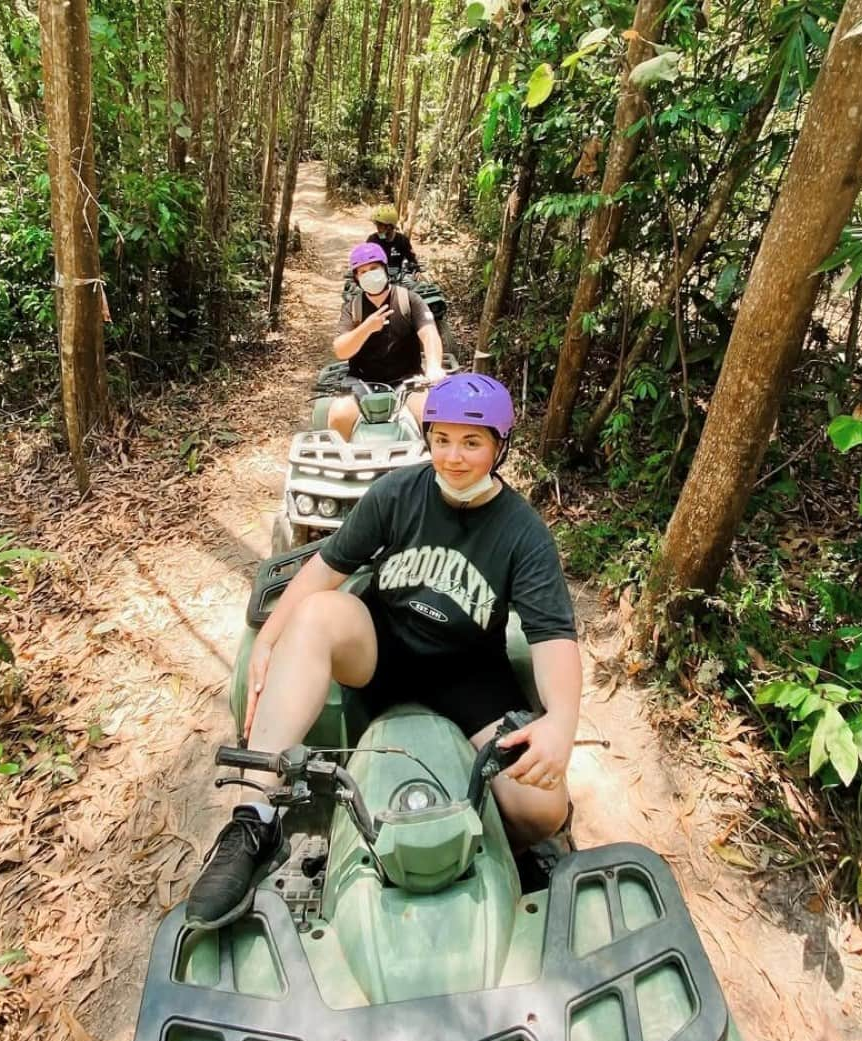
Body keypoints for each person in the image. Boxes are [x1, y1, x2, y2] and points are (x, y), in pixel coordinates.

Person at [185, 373, 583, 929]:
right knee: (319, 614)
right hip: (384, 643)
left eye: (472, 442)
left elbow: (553, 637)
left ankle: (496, 854)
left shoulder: (522, 532)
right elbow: (325, 570)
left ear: (500, 445)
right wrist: (268, 641)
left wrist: (561, 720)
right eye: (442, 439)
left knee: (544, 809)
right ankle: (253, 818)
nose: (454, 457)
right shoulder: (398, 492)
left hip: (468, 670)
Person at [328, 242, 444, 441]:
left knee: (430, 415)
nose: (369, 274)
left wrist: (434, 366)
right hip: (361, 380)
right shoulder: (353, 307)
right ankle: (346, 468)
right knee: (338, 415)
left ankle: (429, 467)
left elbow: (429, 334)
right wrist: (366, 328)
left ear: (384, 268)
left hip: (408, 379)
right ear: (356, 278)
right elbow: (340, 350)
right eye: (363, 272)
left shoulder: (409, 299)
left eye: (374, 268)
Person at [367, 203, 419, 274]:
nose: (377, 228)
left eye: (380, 225)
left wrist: (416, 271)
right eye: (377, 224)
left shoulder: (402, 240)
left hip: (397, 277)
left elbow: (412, 260)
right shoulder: (372, 240)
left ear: (389, 227)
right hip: (378, 278)